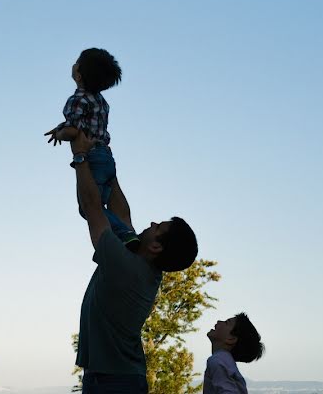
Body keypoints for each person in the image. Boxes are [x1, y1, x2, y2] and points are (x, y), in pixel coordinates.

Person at [70, 130, 198, 394]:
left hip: (111, 383)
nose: (150, 224)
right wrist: (106, 162)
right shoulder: (142, 261)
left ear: (156, 245)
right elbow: (122, 215)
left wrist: (80, 157)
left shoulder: (126, 268)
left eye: (157, 226)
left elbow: (93, 207)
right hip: (120, 378)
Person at [45, 48, 138, 246]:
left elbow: (74, 131)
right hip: (106, 157)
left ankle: (125, 233)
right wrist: (61, 128)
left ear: (78, 74)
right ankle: (124, 234)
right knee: (103, 204)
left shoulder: (77, 99)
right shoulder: (101, 102)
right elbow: (86, 124)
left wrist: (62, 134)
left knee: (89, 207)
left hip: (92, 159)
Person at [203, 313, 265, 394]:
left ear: (231, 339)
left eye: (226, 322)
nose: (219, 321)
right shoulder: (226, 362)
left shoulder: (218, 361)